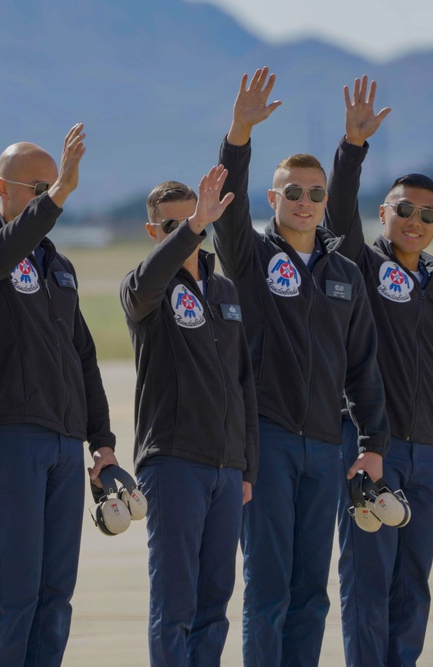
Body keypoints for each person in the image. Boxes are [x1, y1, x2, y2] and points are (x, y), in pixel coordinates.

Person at [213, 67, 390, 666]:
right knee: (267, 587)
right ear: (273, 198)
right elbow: (226, 213)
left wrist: (372, 442)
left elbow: (364, 365)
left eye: (316, 194)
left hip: (327, 446)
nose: (308, 203)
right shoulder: (252, 258)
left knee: (312, 591)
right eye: (294, 192)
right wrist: (239, 132)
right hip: (267, 441)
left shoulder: (344, 275)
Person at [0, 123, 117, 666]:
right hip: (10, 437)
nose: (49, 197)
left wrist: (102, 442)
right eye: (39, 189)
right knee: (16, 590)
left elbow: (82, 356)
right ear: (4, 190)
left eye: (55, 187)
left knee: (54, 594)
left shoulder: (57, 266)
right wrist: (61, 195)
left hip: (65, 444)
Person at [324, 76, 433, 667]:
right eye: (405, 210)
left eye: (428, 215)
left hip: (425, 455)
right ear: (386, 214)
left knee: (412, 588)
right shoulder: (360, 267)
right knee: (368, 584)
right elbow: (338, 213)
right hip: (370, 448)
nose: (415, 221)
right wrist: (352, 148)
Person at [121, 169, 258, 666]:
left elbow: (244, 383)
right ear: (153, 233)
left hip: (227, 469)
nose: (184, 233)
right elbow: (144, 287)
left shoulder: (224, 291)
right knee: (174, 602)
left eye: (192, 222)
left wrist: (247, 466)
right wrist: (196, 223)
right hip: (175, 462)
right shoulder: (144, 290)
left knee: (214, 602)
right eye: (171, 226)